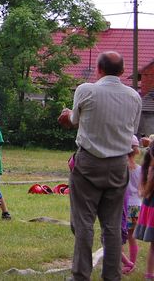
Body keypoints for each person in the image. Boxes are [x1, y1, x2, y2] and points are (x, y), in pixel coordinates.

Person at [58, 51, 142, 281]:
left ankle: (81, 276)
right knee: (113, 224)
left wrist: (66, 117)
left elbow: (72, 120)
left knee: (84, 222)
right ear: (123, 72)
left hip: (88, 163)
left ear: (98, 69)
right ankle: (111, 276)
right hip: (118, 164)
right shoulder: (134, 96)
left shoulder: (86, 90)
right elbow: (131, 131)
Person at [134, 142, 154, 280]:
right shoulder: (150, 170)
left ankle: (149, 274)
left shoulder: (147, 167)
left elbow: (143, 192)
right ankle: (149, 274)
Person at [123, 135, 142, 274]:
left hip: (122, 205)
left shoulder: (121, 167)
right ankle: (132, 264)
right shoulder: (140, 169)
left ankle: (125, 264)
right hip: (136, 206)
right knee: (131, 237)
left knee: (118, 237)